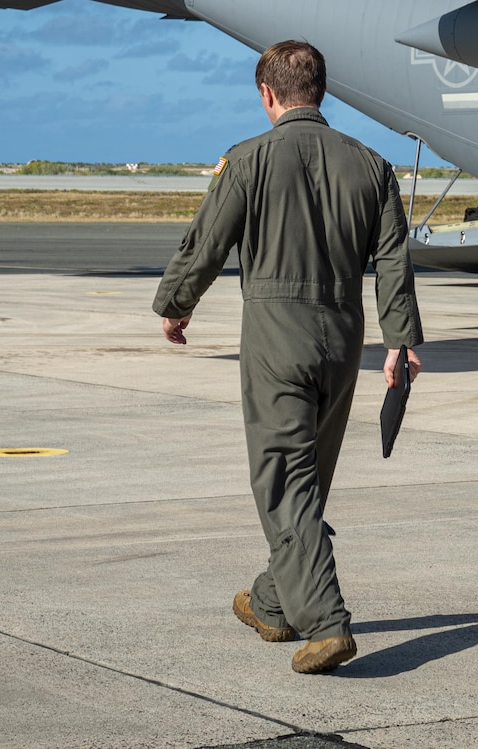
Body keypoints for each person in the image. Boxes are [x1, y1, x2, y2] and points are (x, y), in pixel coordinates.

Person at [152, 39, 424, 675]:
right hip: (344, 336)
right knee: (308, 482)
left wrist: (175, 302)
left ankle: (326, 621)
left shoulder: (246, 161)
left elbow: (207, 243)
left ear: (267, 95)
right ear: (320, 91)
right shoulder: (375, 166)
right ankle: (274, 604)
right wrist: (400, 340)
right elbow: (392, 262)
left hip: (278, 334)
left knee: (282, 478)